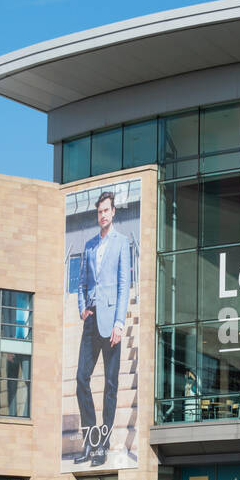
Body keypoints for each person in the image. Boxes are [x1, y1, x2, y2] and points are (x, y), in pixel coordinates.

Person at [75, 190, 132, 466]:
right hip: (91, 320)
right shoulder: (88, 246)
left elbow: (124, 286)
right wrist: (82, 307)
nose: (103, 215)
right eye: (99, 211)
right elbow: (82, 283)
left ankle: (103, 446)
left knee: (111, 385)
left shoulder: (122, 243)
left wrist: (120, 323)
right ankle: (90, 442)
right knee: (80, 378)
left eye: (106, 210)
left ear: (113, 212)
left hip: (112, 324)